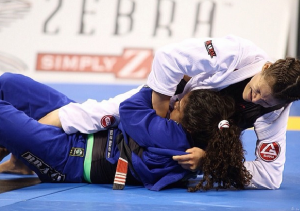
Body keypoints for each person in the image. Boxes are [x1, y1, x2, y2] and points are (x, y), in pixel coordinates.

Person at [0, 73, 250, 191]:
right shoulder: (187, 138)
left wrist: (166, 85)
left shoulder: (172, 137)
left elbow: (129, 107)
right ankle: (21, 160)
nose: (172, 103)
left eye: (178, 106)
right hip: (88, 132)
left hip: (68, 157)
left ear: (190, 126)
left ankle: (24, 156)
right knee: (9, 84)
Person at [148, 34, 300, 189]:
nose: (255, 100)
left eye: (265, 102)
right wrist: (159, 122)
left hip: (191, 146)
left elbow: (269, 177)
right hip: (165, 105)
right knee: (123, 114)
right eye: (258, 91)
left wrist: (207, 161)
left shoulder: (275, 111)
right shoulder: (236, 53)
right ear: (265, 67)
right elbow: (167, 57)